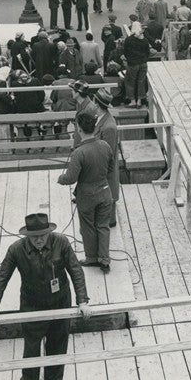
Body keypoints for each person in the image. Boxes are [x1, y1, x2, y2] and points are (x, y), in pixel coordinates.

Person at [0, 212, 90, 380]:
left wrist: (82, 300)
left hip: (60, 303)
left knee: (58, 344)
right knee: (31, 348)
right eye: (34, 237)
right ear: (27, 237)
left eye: (42, 236)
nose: (39, 240)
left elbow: (76, 271)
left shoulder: (62, 243)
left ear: (49, 233)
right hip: (32, 305)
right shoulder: (16, 250)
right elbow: (1, 278)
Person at [58, 111, 115, 273]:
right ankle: (104, 259)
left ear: (79, 129)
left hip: (87, 196)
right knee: (103, 226)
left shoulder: (79, 153)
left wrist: (61, 178)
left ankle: (91, 258)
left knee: (88, 227)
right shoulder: (105, 146)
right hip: (105, 191)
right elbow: (110, 169)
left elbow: (70, 178)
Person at [93, 88, 121, 227]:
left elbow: (108, 154)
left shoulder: (108, 126)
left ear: (96, 104)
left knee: (108, 196)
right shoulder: (102, 119)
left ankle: (110, 221)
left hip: (105, 169)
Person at [123, 23, 151, 107]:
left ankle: (132, 100)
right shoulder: (145, 40)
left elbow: (125, 52)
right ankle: (139, 100)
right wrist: (144, 60)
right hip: (143, 63)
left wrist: (129, 60)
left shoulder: (129, 40)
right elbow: (148, 52)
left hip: (133, 64)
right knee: (141, 81)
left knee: (130, 82)